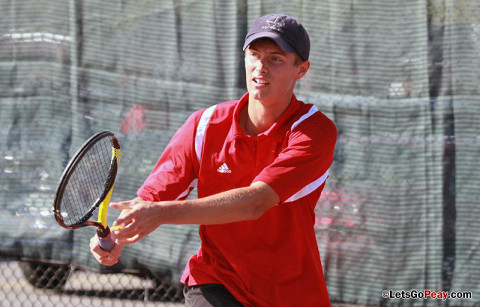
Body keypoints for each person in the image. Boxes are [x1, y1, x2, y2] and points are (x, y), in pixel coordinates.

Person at [90, 14, 337, 307]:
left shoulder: (314, 131)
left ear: (301, 69)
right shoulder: (204, 125)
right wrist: (116, 235)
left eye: (276, 59)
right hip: (217, 280)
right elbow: (153, 198)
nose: (260, 68)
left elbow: (256, 201)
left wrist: (161, 213)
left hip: (293, 293)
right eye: (254, 55)